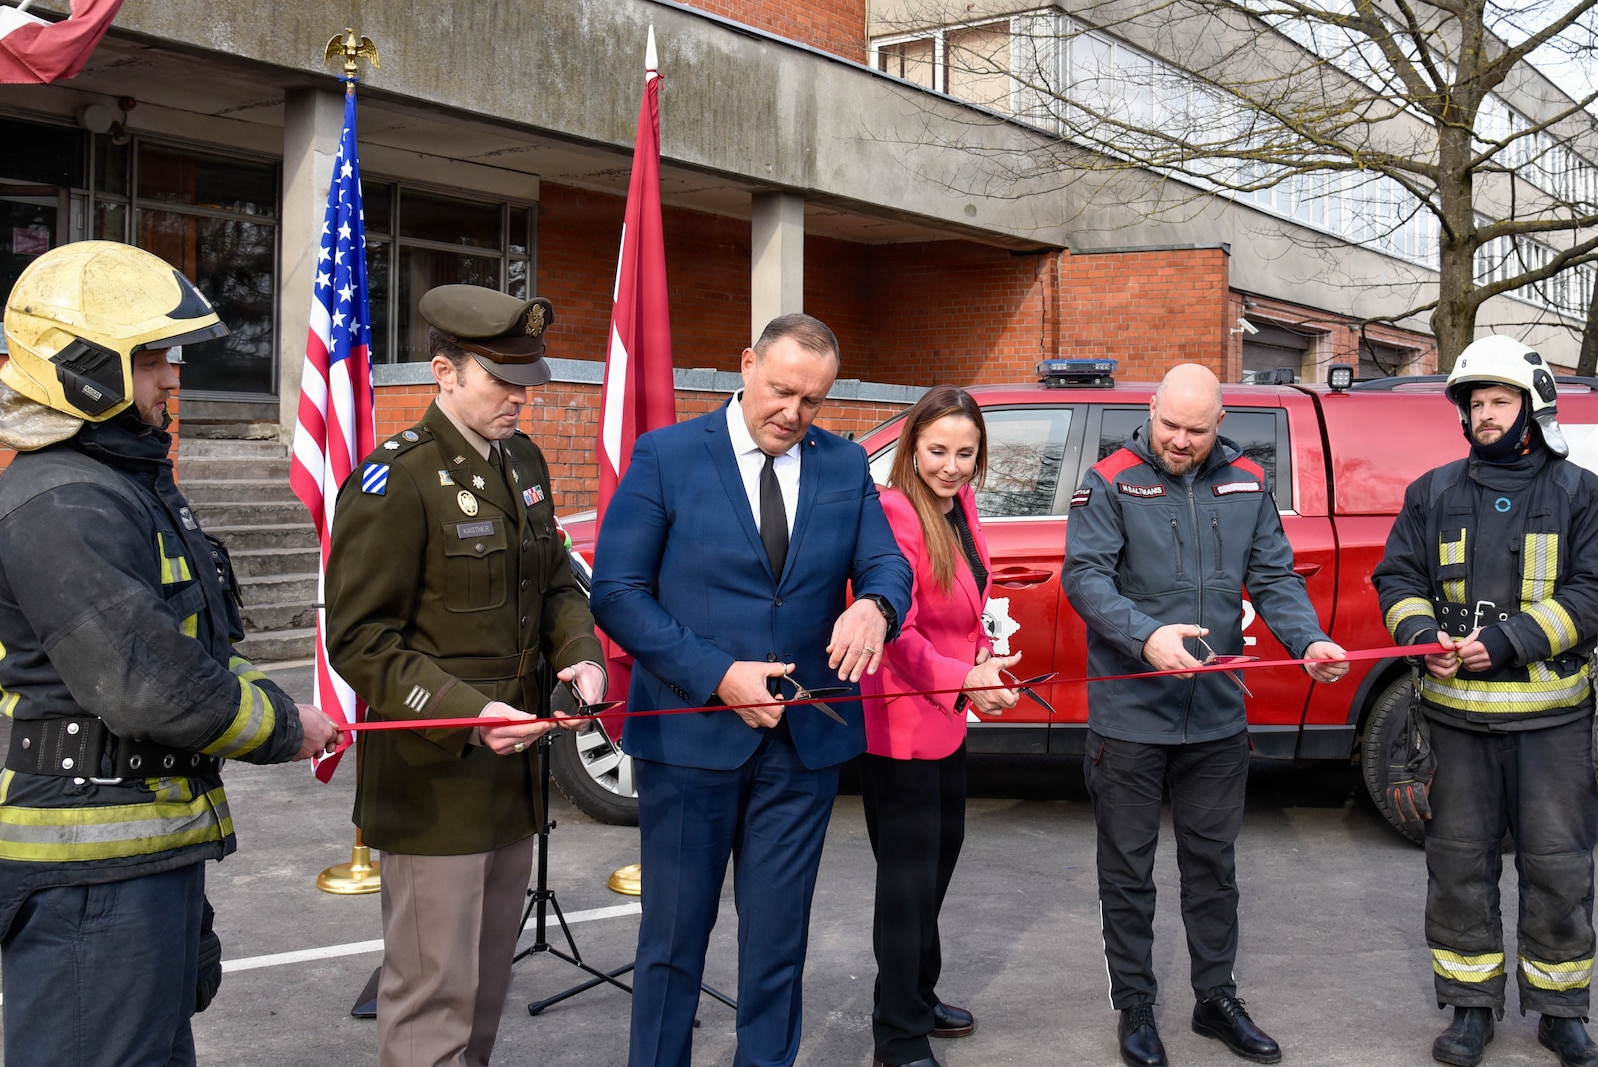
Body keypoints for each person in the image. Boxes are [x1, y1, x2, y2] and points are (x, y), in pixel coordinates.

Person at [0, 241, 340, 1066]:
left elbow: (198, 647)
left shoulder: (126, 486)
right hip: (87, 873)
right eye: (151, 356)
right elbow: (152, 685)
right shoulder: (64, 502)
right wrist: (284, 724)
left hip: (136, 857)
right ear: (82, 367)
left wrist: (274, 700)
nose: (173, 376)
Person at [590, 312, 912, 1067]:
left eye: (812, 400)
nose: (793, 414)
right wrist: (718, 675)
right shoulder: (667, 455)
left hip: (803, 745)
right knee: (672, 942)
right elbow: (618, 591)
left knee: (777, 944)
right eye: (781, 391)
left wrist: (876, 604)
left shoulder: (841, 464)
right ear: (746, 365)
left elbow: (886, 564)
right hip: (689, 739)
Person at [325, 284, 606, 1067]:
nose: (521, 397)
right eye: (502, 379)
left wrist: (580, 650)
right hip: (435, 778)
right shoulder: (397, 480)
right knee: (432, 1001)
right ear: (444, 372)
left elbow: (553, 580)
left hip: (511, 782)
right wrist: (469, 710)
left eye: (527, 380)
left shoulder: (521, 460)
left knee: (482, 994)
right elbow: (359, 641)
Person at [1062, 362, 1348, 1067]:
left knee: (1212, 866)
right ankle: (1134, 1004)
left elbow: (1275, 575)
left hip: (1217, 714)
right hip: (1130, 714)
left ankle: (1214, 996)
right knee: (1126, 871)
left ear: (1220, 422)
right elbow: (1085, 577)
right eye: (1169, 424)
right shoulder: (1111, 478)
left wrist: (1308, 638)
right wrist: (1145, 633)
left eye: (1195, 429)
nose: (1180, 440)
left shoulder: (1249, 481)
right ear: (1151, 409)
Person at [1373, 335, 1598, 1067]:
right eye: (1476, 403)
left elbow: (1592, 593)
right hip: (1455, 721)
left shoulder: (1579, 492)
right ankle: (1470, 1009)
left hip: (1552, 723)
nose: (1486, 415)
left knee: (1559, 866)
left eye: (1500, 401)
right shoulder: (1433, 491)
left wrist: (1506, 643)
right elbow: (1396, 577)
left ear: (1532, 406)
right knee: (1459, 866)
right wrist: (1418, 632)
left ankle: (1561, 1011)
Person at [858, 384, 1019, 1067]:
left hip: (947, 721)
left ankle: (917, 995)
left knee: (938, 865)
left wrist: (983, 658)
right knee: (906, 885)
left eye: (965, 452)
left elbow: (966, 608)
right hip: (899, 727)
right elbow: (900, 634)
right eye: (937, 450)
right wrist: (965, 677)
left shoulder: (961, 506)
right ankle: (897, 1034)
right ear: (910, 447)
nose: (952, 465)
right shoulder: (893, 513)